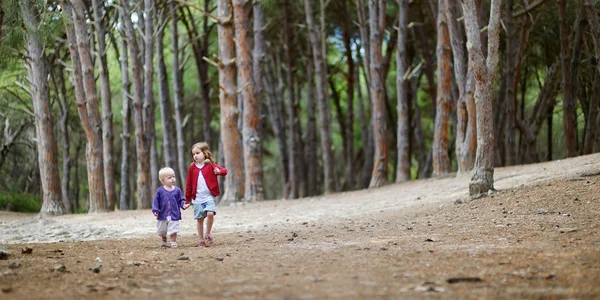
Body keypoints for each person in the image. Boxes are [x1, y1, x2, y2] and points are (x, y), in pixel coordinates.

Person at [184, 142, 228, 248]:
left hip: (208, 197)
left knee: (210, 214)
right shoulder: (192, 168)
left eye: (198, 153)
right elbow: (188, 184)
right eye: (193, 154)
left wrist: (218, 172)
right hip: (197, 198)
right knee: (200, 219)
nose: (195, 156)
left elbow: (224, 171)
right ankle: (201, 240)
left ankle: (208, 233)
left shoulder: (210, 165)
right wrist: (187, 200)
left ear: (205, 153)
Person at [152, 167, 186, 249]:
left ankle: (173, 242)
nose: (173, 179)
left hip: (174, 214)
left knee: (173, 229)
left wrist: (183, 205)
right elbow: (155, 201)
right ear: (163, 180)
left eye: (173, 176)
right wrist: (155, 209)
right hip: (162, 214)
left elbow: (181, 199)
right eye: (169, 177)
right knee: (162, 230)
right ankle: (164, 239)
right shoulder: (159, 191)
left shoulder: (177, 190)